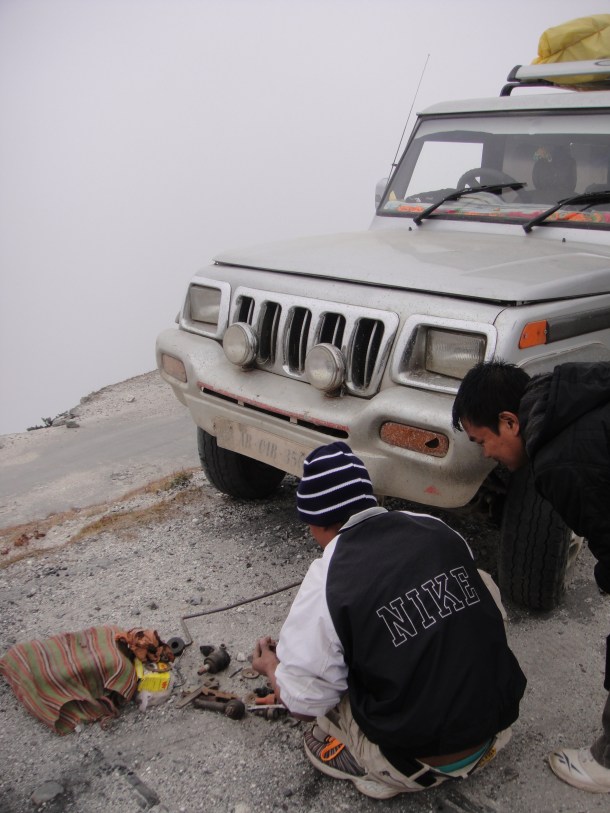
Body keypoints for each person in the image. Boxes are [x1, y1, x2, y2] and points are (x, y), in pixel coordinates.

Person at [251, 441, 526, 799]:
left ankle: (374, 770)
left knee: (319, 681)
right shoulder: (435, 528)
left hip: (415, 764)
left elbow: (303, 704)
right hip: (496, 732)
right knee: (480, 583)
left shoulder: (327, 579)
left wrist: (273, 667)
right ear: (369, 499)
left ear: (314, 523)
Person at [452, 360, 610, 794]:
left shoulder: (561, 462)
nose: (486, 454)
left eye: (483, 441)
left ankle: (607, 763)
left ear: (509, 421)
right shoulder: (570, 392)